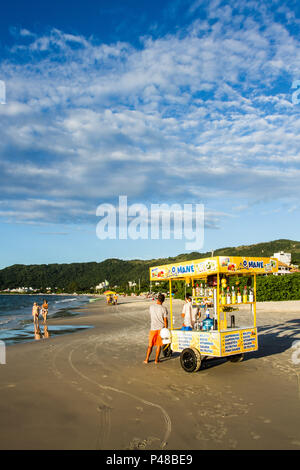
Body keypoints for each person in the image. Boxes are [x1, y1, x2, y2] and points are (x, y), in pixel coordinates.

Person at [144, 293, 168, 364]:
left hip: (153, 328)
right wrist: (166, 329)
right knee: (158, 345)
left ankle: (146, 359)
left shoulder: (151, 307)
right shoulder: (164, 309)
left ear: (157, 299)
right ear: (163, 301)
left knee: (150, 345)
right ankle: (156, 360)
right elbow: (165, 320)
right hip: (161, 328)